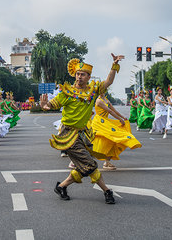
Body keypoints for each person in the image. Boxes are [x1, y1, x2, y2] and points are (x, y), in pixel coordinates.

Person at [41, 54, 124, 205]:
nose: (79, 77)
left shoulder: (92, 92)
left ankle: (61, 187)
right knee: (90, 164)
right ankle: (107, 191)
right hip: (68, 135)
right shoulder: (67, 92)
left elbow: (109, 82)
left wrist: (114, 65)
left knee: (83, 165)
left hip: (83, 134)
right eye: (78, 74)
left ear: (88, 77)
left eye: (83, 75)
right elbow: (51, 105)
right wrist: (45, 105)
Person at [90, 94, 141, 169]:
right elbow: (110, 111)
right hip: (100, 123)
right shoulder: (98, 101)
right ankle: (80, 160)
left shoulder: (106, 99)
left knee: (114, 140)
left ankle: (107, 162)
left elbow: (114, 110)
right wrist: (120, 119)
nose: (103, 90)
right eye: (101, 88)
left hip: (106, 122)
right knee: (100, 141)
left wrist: (123, 117)